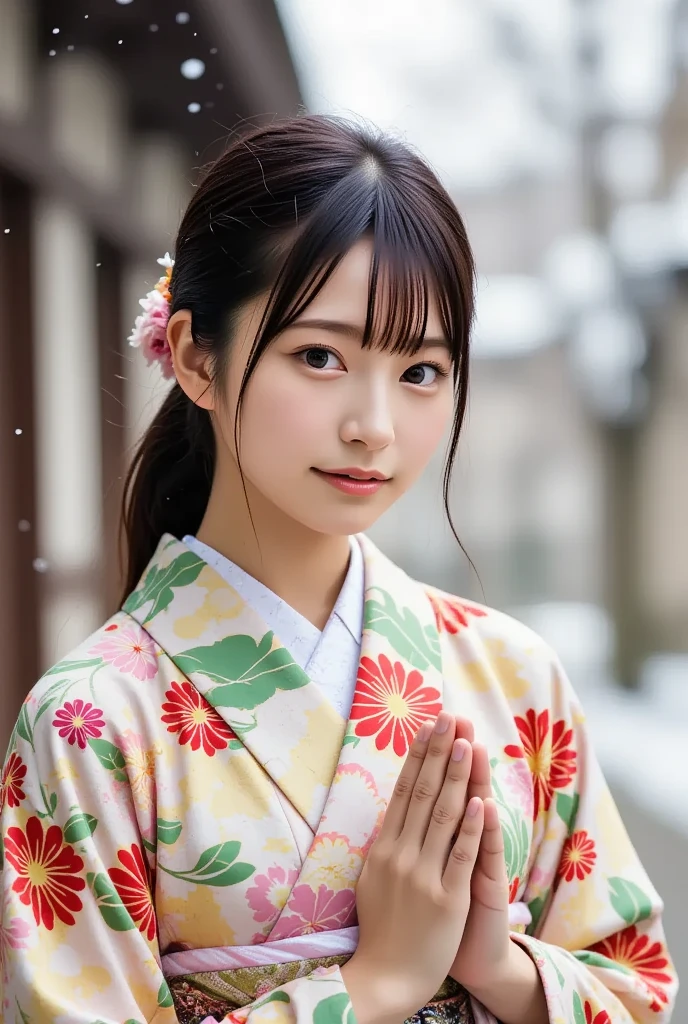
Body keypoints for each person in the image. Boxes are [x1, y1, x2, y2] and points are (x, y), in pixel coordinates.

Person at [0, 115, 677, 1024]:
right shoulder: (90, 720)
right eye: (320, 356)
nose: (375, 425)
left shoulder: (517, 677)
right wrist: (375, 984)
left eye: (422, 370)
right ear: (198, 356)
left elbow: (636, 987)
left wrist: (503, 968)